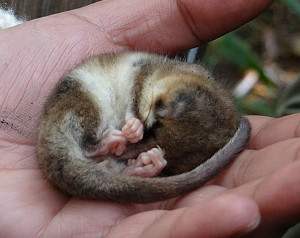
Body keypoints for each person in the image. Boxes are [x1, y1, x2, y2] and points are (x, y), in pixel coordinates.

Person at [1, 0, 299, 237]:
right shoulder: (156, 81)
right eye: (150, 130)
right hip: (77, 123)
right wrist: (132, 124)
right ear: (163, 103)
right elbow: (135, 89)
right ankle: (96, 151)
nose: (138, 143)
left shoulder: (171, 97)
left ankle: (108, 163)